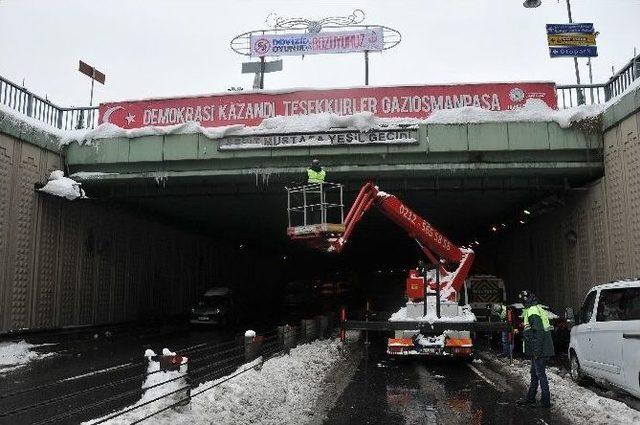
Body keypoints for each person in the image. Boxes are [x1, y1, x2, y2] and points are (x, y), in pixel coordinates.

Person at [516, 290, 555, 408]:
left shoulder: (533, 311)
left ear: (525, 300)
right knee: (534, 374)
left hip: (539, 350)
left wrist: (536, 352)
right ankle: (530, 398)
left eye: (522, 300)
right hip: (538, 349)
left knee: (540, 374)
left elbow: (538, 333)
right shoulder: (535, 308)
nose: (522, 303)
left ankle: (545, 402)